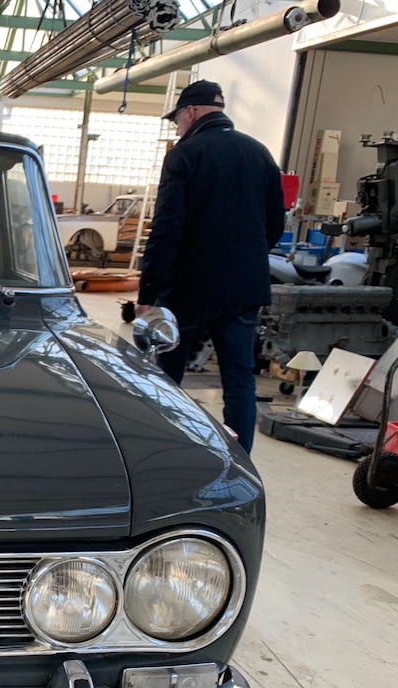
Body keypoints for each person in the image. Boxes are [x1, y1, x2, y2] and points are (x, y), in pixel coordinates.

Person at [135, 80, 286, 453]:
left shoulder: (185, 154)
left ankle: (166, 450)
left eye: (177, 121)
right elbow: (274, 225)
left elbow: (167, 229)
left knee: (167, 376)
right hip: (244, 289)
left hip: (190, 288)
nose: (177, 129)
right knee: (239, 379)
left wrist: (148, 292)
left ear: (190, 112)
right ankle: (240, 458)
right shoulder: (259, 152)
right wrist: (245, 260)